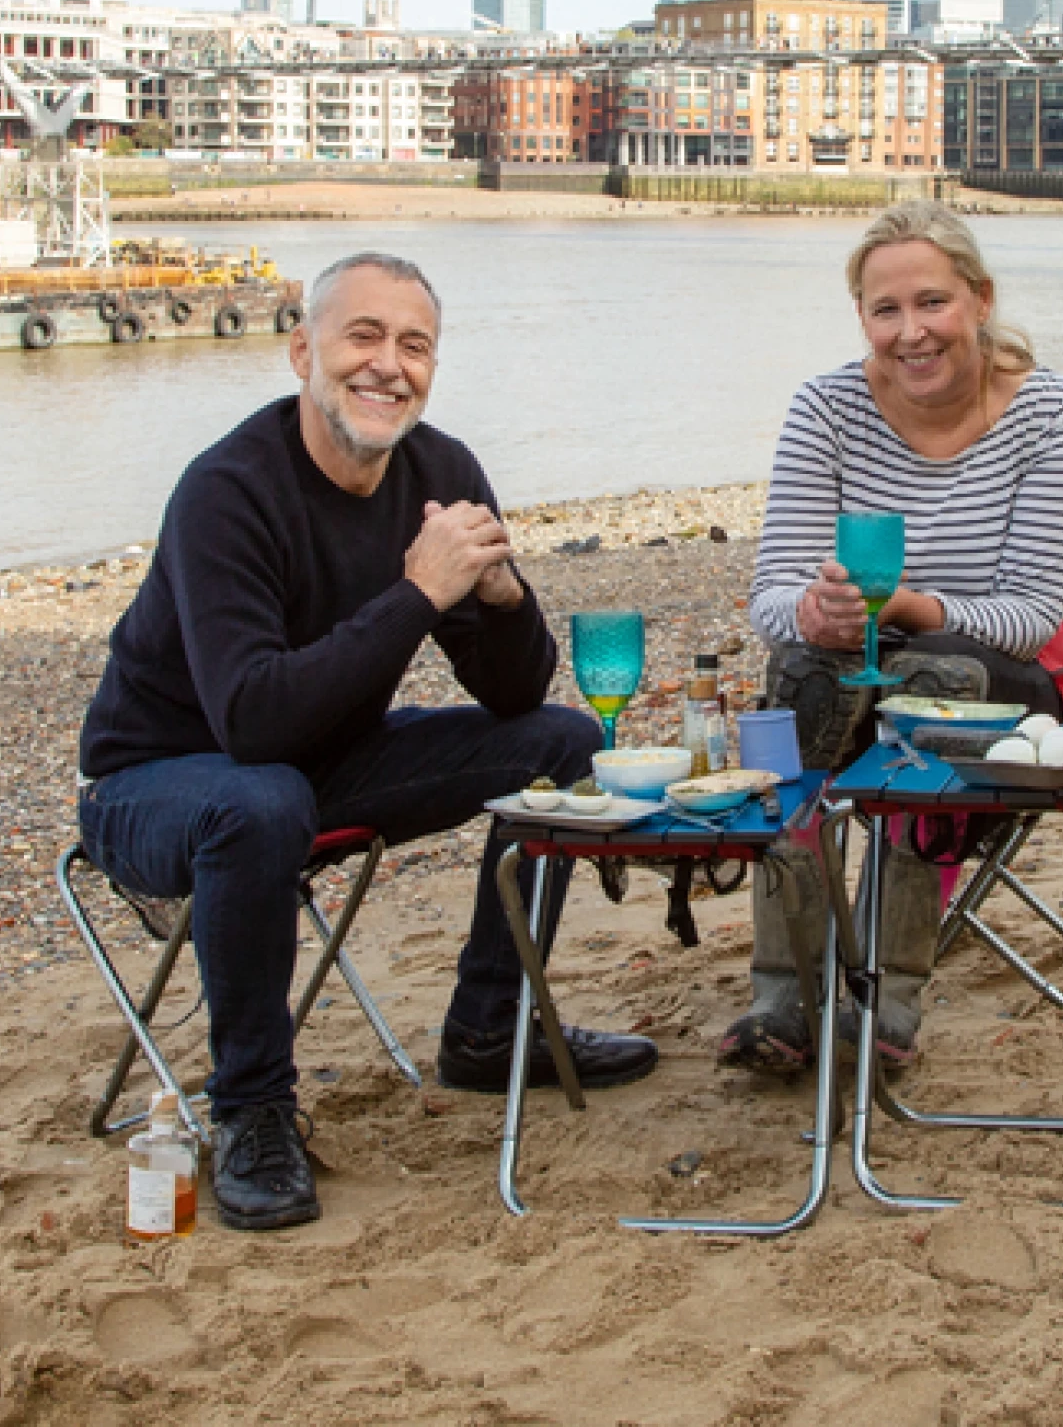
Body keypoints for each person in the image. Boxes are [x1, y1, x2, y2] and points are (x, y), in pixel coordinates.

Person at [77, 252, 656, 1233]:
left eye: (413, 345)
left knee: (560, 745)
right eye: (362, 336)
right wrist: (420, 591)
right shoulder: (227, 488)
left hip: (316, 768)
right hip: (155, 782)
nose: (388, 365)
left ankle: (486, 1031)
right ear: (302, 349)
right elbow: (250, 723)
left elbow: (515, 690)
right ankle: (252, 1111)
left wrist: (502, 595)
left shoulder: (441, 473)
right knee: (257, 798)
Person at [721, 202, 1063, 1074]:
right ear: (863, 318)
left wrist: (907, 606)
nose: (911, 332)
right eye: (885, 310)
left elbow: (1032, 612)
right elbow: (772, 593)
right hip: (849, 668)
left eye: (932, 303)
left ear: (980, 300)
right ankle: (787, 994)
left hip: (999, 679)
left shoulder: (1053, 413)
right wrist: (816, 613)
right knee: (803, 675)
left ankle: (886, 1004)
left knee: (931, 685)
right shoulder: (827, 408)